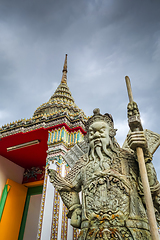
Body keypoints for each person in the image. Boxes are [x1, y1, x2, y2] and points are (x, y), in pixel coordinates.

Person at [48, 104, 160, 240]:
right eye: (92, 132)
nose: (96, 135)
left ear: (111, 133)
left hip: (131, 231)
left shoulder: (128, 157)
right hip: (92, 231)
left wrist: (145, 156)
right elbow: (66, 186)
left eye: (101, 131)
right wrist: (75, 208)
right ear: (88, 138)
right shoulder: (83, 163)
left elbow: (151, 187)